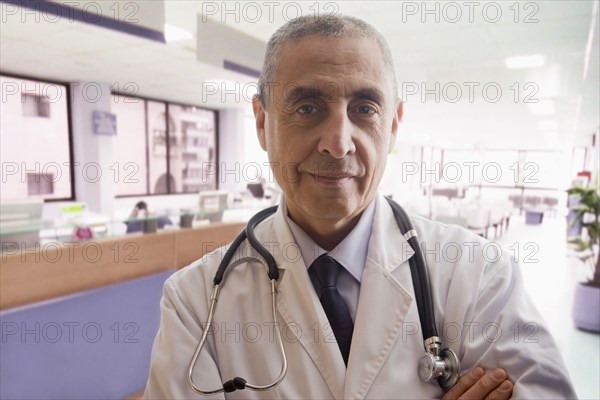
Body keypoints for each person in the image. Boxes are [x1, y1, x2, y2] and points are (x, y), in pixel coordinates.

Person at [144, 15, 576, 399]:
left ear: (392, 126)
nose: (338, 142)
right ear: (261, 122)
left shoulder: (477, 272)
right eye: (308, 107)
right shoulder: (196, 302)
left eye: (364, 108)